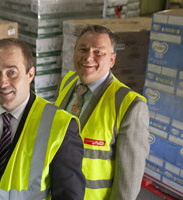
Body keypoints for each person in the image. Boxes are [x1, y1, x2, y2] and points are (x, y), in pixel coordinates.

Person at [0, 38, 85, 199]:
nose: (3, 83)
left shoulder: (60, 125)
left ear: (30, 74)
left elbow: (68, 196)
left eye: (12, 72)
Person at [55, 25, 150, 200]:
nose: (88, 57)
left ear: (112, 60)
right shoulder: (67, 82)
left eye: (98, 52)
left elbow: (127, 184)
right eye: (83, 49)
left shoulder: (129, 105)